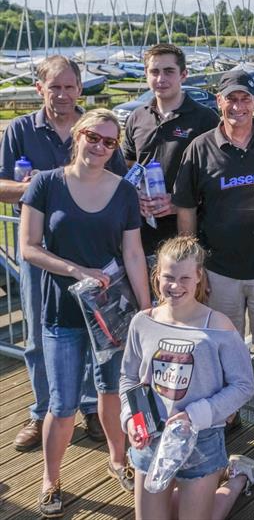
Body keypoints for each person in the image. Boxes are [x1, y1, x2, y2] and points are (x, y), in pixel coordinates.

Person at [19, 109, 150, 518]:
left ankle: (117, 460)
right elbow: (29, 247)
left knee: (112, 394)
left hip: (111, 316)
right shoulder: (45, 184)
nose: (100, 147)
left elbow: (132, 253)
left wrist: (146, 312)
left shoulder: (124, 191)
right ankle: (50, 478)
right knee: (62, 405)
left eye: (110, 142)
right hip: (63, 312)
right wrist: (76, 270)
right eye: (94, 137)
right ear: (78, 135)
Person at [173, 69, 254, 460]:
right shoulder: (200, 147)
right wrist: (194, 264)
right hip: (219, 271)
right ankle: (225, 414)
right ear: (220, 102)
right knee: (222, 348)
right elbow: (185, 208)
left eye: (245, 98)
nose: (238, 106)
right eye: (230, 99)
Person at [0, 55, 127, 452]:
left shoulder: (95, 129)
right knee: (39, 336)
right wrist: (38, 189)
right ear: (40, 89)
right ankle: (43, 412)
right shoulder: (21, 130)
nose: (63, 94)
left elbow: (119, 179)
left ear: (80, 88)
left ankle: (88, 408)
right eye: (55, 86)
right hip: (40, 254)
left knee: (96, 334)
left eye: (70, 86)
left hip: (92, 254)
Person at [120, 235, 254, 520]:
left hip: (202, 440)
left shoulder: (218, 325)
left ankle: (238, 478)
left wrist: (196, 414)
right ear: (157, 276)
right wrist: (130, 418)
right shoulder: (142, 322)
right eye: (168, 277)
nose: (175, 286)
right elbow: (128, 378)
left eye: (184, 278)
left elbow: (244, 385)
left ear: (199, 278)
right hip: (151, 440)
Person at [122, 43, 219, 256]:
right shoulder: (137, 117)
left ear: (183, 75)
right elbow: (128, 168)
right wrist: (135, 197)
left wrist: (179, 204)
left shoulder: (205, 119)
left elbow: (219, 178)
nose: (161, 79)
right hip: (141, 235)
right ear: (146, 74)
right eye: (154, 72)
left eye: (169, 71)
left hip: (189, 236)